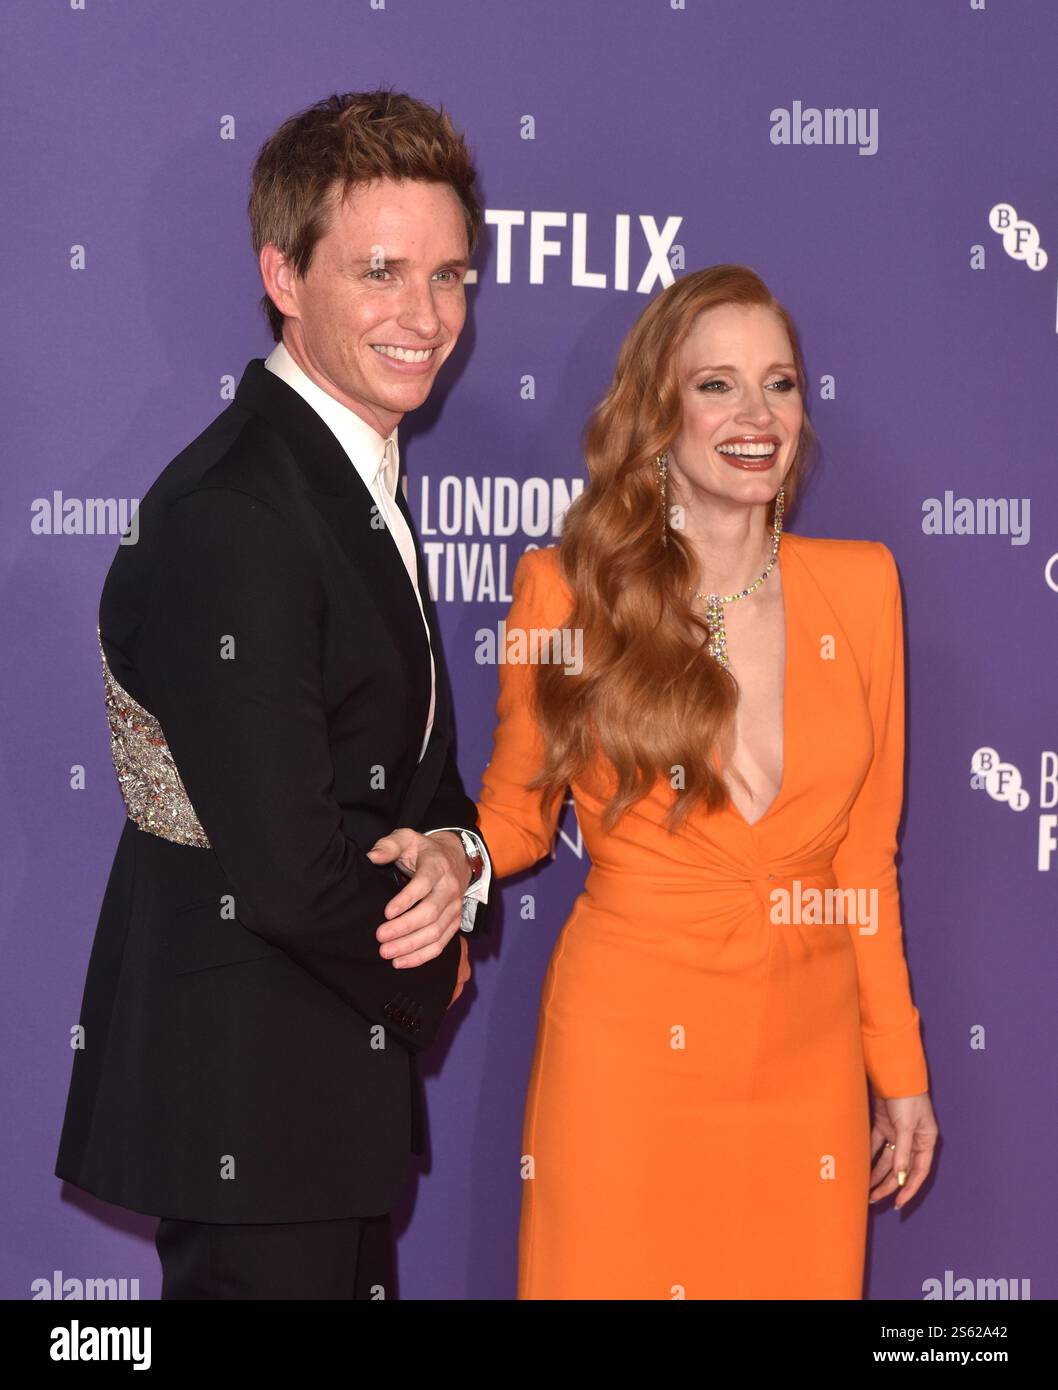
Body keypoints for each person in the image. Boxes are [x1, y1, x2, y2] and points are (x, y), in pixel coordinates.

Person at [55, 89, 493, 1300]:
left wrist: (460, 859)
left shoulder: (346, 472)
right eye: (382, 272)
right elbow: (290, 860)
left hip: (321, 1101)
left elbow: (411, 771)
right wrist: (435, 960)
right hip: (250, 1091)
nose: (426, 317)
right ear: (283, 276)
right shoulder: (238, 510)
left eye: (450, 276)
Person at [475, 264, 940, 1299]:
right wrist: (450, 854)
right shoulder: (564, 595)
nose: (755, 415)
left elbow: (863, 860)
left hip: (804, 1060)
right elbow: (513, 812)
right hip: (627, 1049)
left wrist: (897, 1071)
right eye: (715, 384)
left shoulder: (861, 587)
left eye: (778, 384)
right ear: (656, 412)